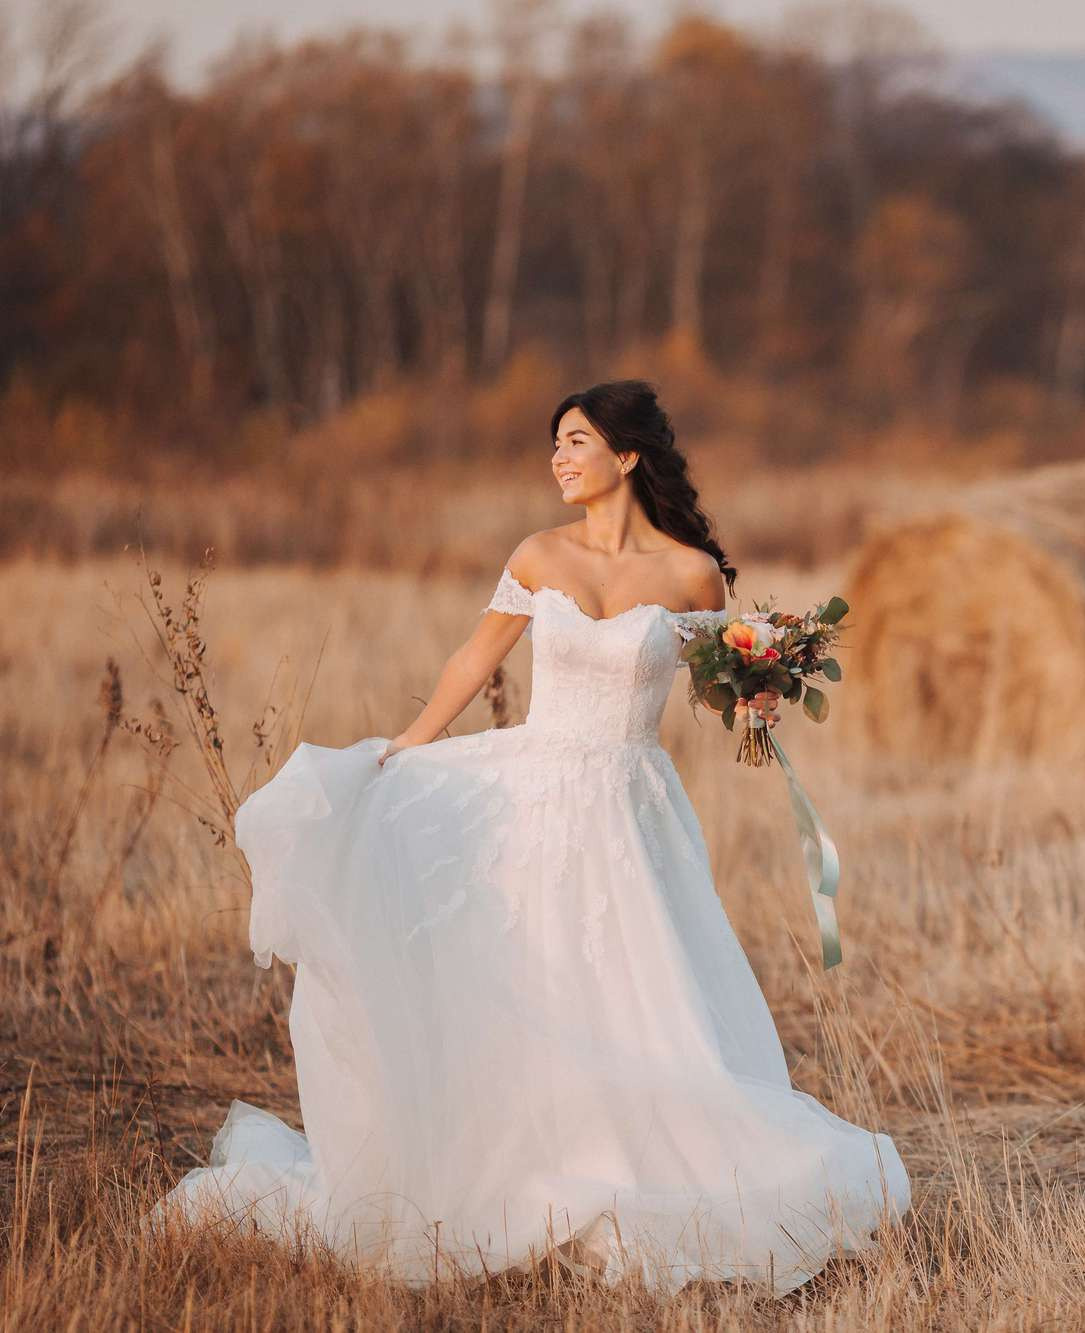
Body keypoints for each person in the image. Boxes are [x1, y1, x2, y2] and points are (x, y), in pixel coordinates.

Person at [148, 379, 911, 1294]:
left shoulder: (693, 572)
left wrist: (762, 684)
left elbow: (720, 685)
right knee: (535, 983)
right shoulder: (538, 556)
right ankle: (527, 1177)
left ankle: (646, 1176)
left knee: (640, 998)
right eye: (555, 443)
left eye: (577, 440)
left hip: (631, 811)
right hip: (534, 794)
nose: (559, 457)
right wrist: (407, 747)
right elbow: (477, 656)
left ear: (627, 456)